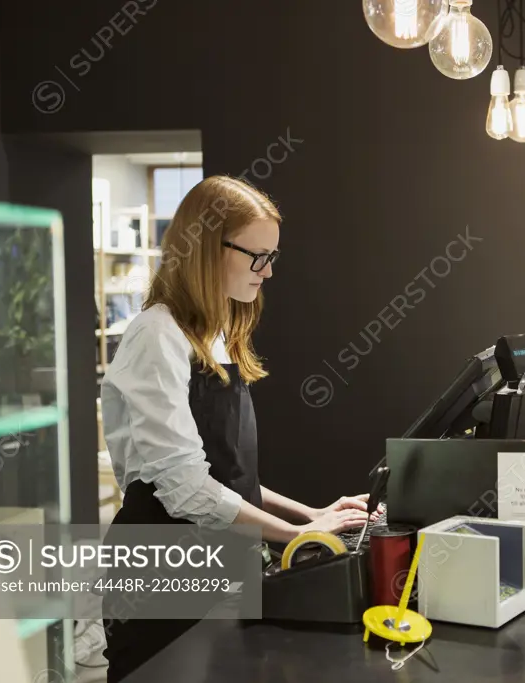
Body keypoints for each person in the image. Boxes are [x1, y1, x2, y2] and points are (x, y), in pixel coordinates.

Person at [99, 175, 374, 682]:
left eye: (272, 258)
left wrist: (310, 513)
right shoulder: (156, 336)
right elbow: (185, 489)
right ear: (208, 247)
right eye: (257, 256)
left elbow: (226, 478)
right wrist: (294, 535)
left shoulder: (215, 334)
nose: (266, 272)